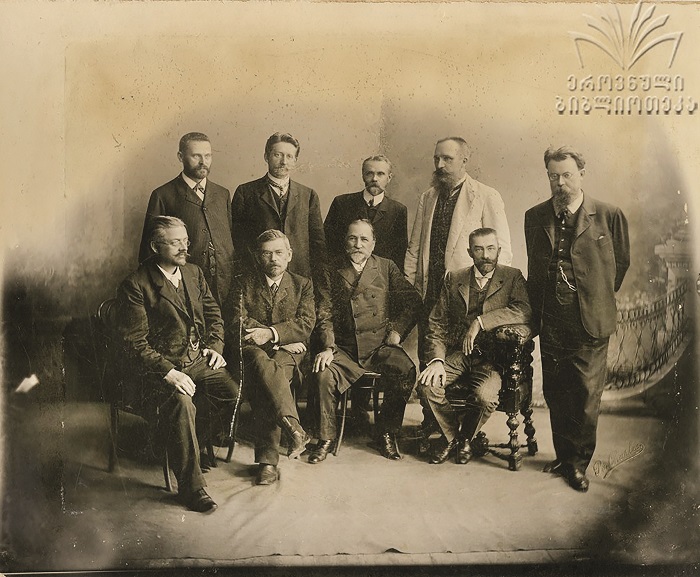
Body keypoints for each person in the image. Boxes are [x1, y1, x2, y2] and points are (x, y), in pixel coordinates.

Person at [525, 145, 630, 492]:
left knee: (585, 394)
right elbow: (536, 270)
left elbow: (620, 264)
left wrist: (592, 297)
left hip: (589, 319)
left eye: (567, 175)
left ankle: (577, 464)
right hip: (551, 319)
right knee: (556, 390)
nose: (560, 183)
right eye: (553, 176)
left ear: (582, 174)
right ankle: (563, 456)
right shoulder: (535, 216)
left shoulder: (609, 215)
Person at [118, 216, 238, 513]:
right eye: (175, 243)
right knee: (183, 403)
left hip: (196, 359)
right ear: (155, 246)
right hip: (156, 370)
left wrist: (215, 347)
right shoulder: (136, 284)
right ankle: (191, 488)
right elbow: (135, 343)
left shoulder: (194, 273)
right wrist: (169, 373)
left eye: (185, 241)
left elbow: (214, 315)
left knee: (230, 392)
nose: (185, 247)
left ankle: (184, 445)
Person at [404, 137, 513, 448]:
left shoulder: (486, 196)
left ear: (465, 160)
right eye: (436, 159)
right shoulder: (428, 197)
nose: (440, 165)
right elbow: (414, 248)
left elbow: (502, 253)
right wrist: (413, 292)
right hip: (431, 294)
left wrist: (487, 299)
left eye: (447, 159)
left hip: (469, 300)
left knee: (469, 366)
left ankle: (462, 431)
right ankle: (433, 424)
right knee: (432, 361)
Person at [308, 219, 422, 463]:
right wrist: (328, 347)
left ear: (373, 243)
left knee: (406, 369)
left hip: (378, 346)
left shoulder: (386, 267)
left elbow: (413, 301)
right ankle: (326, 437)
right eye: (352, 238)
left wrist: (397, 332)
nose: (358, 244)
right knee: (323, 373)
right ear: (345, 241)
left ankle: (386, 433)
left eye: (364, 239)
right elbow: (324, 313)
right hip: (343, 348)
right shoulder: (331, 269)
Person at [417, 228, 530, 464]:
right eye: (479, 249)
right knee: (427, 386)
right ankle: (456, 438)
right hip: (459, 354)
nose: (485, 255)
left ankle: (463, 437)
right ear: (470, 252)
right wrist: (437, 360)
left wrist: (481, 322)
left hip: (492, 359)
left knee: (485, 398)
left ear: (499, 250)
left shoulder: (512, 277)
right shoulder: (454, 278)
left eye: (490, 248)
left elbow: (524, 311)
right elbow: (436, 323)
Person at [224, 229, 315, 486]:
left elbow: (306, 323)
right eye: (266, 254)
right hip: (252, 353)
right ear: (257, 256)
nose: (273, 259)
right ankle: (293, 429)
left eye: (278, 252)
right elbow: (236, 320)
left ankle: (267, 462)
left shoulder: (302, 284)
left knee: (274, 375)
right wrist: (277, 337)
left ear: (289, 255)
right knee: (264, 367)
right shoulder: (243, 283)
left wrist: (272, 334)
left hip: (288, 354)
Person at [231, 132, 329, 307]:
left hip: (299, 280)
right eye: (278, 155)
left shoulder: (308, 195)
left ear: (295, 161)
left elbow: (318, 246)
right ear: (266, 156)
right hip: (258, 279)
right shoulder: (246, 192)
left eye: (289, 156)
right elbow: (238, 242)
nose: (284, 161)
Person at [138, 132, 235, 306]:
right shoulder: (163, 195)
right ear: (180, 157)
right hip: (184, 286)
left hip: (224, 285)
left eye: (207, 156)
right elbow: (148, 251)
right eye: (196, 156)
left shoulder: (223, 194)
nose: (203, 162)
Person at [324, 155, 408, 271]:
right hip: (343, 274)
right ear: (363, 175)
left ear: (389, 178)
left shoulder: (398, 210)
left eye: (380, 174)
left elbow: (399, 254)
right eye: (369, 173)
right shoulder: (342, 203)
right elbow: (327, 244)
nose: (374, 179)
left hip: (380, 277)